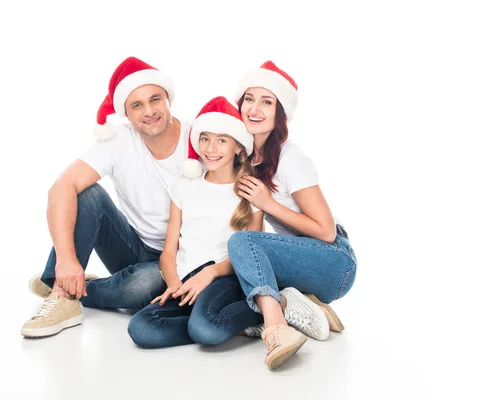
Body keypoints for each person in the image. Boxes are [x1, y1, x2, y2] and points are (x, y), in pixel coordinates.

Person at [21, 56, 192, 338]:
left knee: (144, 286)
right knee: (86, 193)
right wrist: (66, 260)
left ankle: (65, 286)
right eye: (137, 105)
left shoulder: (199, 137)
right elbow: (61, 187)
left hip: (185, 259)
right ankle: (63, 293)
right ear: (126, 112)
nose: (149, 111)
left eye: (155, 99)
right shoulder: (118, 140)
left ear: (169, 100)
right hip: (137, 248)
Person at [126, 96, 304, 360]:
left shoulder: (249, 191)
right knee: (141, 328)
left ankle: (279, 306)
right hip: (187, 280)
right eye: (205, 138)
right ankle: (229, 323)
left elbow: (250, 253)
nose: (211, 148)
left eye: (222, 140)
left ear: (238, 148)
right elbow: (168, 251)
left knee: (205, 331)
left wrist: (210, 273)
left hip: (225, 276)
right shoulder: (184, 185)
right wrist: (175, 284)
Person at [227, 61, 358, 362]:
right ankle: (306, 306)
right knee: (240, 265)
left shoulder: (290, 158)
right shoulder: (246, 156)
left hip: (336, 260)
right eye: (249, 99)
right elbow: (256, 238)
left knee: (240, 245)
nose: (255, 109)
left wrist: (268, 203)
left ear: (279, 113)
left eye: (267, 102)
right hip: (305, 263)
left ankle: (276, 328)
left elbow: (325, 231)